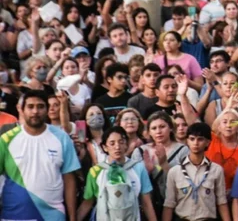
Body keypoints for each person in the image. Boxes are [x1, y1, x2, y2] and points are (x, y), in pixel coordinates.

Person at [0, 90, 81, 221]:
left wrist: (72, 217)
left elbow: (69, 179)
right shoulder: (6, 139)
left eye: (40, 106)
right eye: (30, 107)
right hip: (14, 215)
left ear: (47, 109)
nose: (35, 111)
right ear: (22, 109)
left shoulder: (62, 138)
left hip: (53, 215)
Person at [78, 126, 158, 221]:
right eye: (112, 143)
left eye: (121, 142)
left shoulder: (138, 168)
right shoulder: (96, 171)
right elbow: (88, 202)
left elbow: (146, 203)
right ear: (105, 147)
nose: (117, 147)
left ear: (126, 145)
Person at [163, 122, 231, 221]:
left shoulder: (216, 170)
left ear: (208, 142)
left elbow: (221, 201)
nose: (195, 143)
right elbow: (169, 204)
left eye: (200, 139)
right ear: (187, 141)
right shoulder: (175, 171)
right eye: (192, 139)